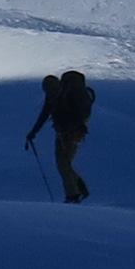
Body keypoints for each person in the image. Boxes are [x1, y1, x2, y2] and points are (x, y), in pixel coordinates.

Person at [26, 68, 97, 203]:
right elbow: (45, 114)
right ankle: (79, 190)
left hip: (72, 134)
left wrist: (34, 132)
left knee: (63, 164)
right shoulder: (54, 95)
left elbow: (46, 114)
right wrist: (33, 132)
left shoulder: (65, 95)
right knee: (63, 163)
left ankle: (73, 195)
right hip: (62, 133)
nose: (49, 93)